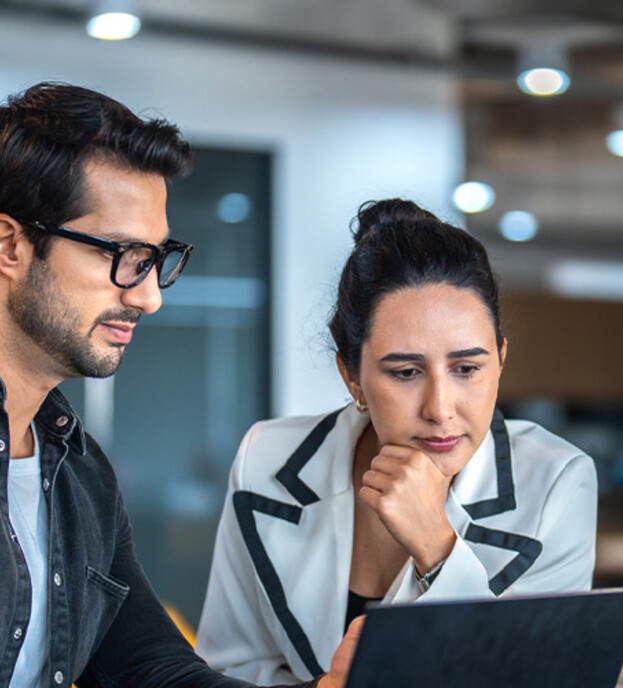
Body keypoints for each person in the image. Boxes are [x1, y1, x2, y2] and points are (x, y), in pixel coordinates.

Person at [0, 82, 357, 688]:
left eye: (155, 259)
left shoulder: (80, 472)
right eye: (121, 254)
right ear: (10, 244)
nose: (149, 295)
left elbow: (149, 667)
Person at [196, 198, 598, 683]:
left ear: (501, 359)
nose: (440, 408)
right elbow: (229, 669)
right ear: (352, 376)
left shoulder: (558, 481)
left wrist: (437, 547)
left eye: (468, 369)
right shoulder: (266, 459)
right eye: (406, 372)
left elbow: (536, 679)